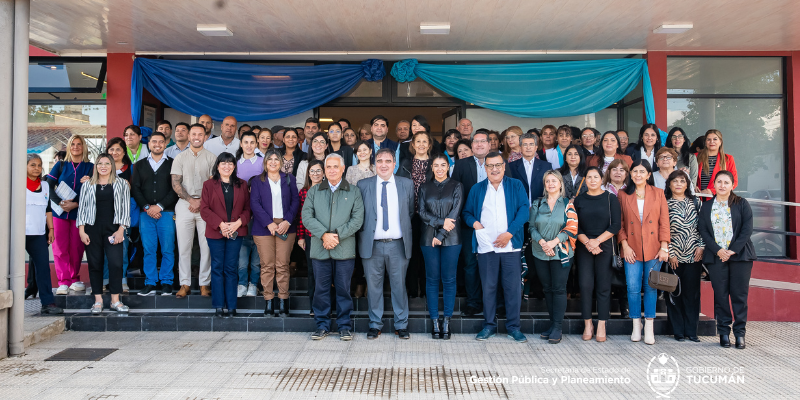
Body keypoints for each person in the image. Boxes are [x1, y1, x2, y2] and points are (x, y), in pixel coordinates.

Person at [462, 152, 530, 343]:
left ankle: (514, 327)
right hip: (487, 247)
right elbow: (467, 213)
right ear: (485, 168)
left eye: (498, 165)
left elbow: (524, 210)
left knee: (513, 289)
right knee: (489, 287)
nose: (494, 169)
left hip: (510, 246)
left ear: (504, 166)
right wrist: (475, 224)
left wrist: (510, 233)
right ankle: (489, 326)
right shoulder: (477, 189)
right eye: (490, 166)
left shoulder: (515, 185)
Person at [302, 154, 364, 341]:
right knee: (321, 288)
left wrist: (336, 235)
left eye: (335, 167)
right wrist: (324, 235)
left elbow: (357, 220)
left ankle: (344, 326)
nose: (332, 170)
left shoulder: (353, 191)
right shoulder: (314, 191)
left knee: (344, 288)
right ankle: (322, 325)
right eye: (328, 167)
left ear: (343, 168)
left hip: (344, 249)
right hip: (320, 248)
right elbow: (307, 217)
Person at [357, 149, 415, 340]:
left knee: (399, 286)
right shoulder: (363, 185)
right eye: (379, 161)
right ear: (375, 163)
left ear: (394, 163)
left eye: (388, 161)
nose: (383, 164)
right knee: (373, 287)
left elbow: (410, 213)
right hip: (371, 244)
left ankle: (401, 324)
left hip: (397, 244)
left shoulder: (406, 184)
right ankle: (375, 324)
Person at [698, 171, 755, 349]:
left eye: (726, 182)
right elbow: (703, 231)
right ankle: (723, 333)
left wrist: (731, 251)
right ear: (714, 184)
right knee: (721, 296)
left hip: (740, 256)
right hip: (716, 258)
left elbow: (747, 229)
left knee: (739, 296)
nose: (722, 185)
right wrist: (718, 251)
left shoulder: (741, 203)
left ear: (732, 185)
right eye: (719, 182)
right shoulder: (706, 207)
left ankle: (740, 334)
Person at [618, 160, 670, 345]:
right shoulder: (623, 194)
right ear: (630, 174)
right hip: (631, 248)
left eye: (642, 171)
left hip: (654, 248)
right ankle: (635, 324)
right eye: (634, 171)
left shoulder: (658, 193)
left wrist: (664, 247)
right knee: (632, 287)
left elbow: (664, 222)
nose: (638, 175)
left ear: (649, 174)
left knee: (651, 287)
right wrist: (624, 245)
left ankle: (649, 326)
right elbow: (620, 224)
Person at [76, 153, 131, 313]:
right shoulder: (87, 185)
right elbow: (83, 209)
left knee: (116, 264)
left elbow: (125, 208)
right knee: (95, 265)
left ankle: (115, 300)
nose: (103, 166)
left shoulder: (121, 184)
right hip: (92, 229)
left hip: (113, 229)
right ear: (96, 166)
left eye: (107, 163)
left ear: (112, 166)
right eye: (100, 163)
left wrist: (121, 229)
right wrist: (81, 230)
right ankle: (98, 301)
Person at [529, 171, 578, 344]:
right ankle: (552, 324)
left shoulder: (567, 203)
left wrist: (553, 243)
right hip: (540, 251)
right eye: (547, 181)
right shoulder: (537, 203)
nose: (551, 184)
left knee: (558, 289)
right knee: (548, 289)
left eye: (554, 181)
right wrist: (543, 243)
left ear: (560, 184)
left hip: (561, 252)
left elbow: (571, 227)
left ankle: (558, 327)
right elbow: (531, 227)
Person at [573, 167, 621, 342]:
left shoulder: (611, 199)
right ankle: (588, 323)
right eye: (589, 177)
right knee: (585, 286)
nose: (592, 180)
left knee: (603, 286)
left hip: (604, 246)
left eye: (596, 177)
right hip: (584, 246)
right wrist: (588, 242)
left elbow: (615, 225)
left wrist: (597, 241)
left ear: (602, 179)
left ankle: (601, 323)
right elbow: (574, 226)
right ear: (585, 180)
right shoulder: (579, 200)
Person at [418, 154, 463, 339]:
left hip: (452, 238)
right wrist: (439, 226)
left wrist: (442, 235)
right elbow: (421, 212)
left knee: (449, 279)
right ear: (432, 168)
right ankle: (435, 321)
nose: (439, 168)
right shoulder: (424, 187)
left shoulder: (457, 186)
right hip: (428, 238)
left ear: (448, 166)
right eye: (436, 165)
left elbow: (456, 212)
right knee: (432, 279)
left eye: (443, 165)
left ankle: (447, 321)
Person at [200, 152, 251, 317]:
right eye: (223, 163)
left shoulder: (242, 184)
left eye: (230, 163)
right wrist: (221, 225)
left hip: (236, 231)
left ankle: (231, 306)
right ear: (218, 166)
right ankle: (218, 305)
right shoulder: (209, 185)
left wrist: (237, 224)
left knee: (231, 268)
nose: (227, 166)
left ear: (234, 166)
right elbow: (204, 209)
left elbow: (248, 209)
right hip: (216, 232)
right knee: (217, 267)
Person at [250, 150, 300, 316]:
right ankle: (269, 301)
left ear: (281, 162)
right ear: (265, 162)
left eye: (276, 159)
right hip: (264, 228)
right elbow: (254, 204)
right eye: (269, 159)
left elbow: (295, 201)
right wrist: (269, 223)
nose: (273, 162)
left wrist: (287, 220)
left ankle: (283, 300)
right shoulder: (257, 181)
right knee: (267, 265)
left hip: (286, 226)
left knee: (282, 265)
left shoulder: (289, 179)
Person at [171, 123, 217, 298]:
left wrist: (201, 202)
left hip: (207, 205)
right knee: (184, 246)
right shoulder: (180, 158)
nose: (197, 137)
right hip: (184, 204)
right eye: (194, 134)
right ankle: (185, 284)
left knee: (206, 247)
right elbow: (176, 183)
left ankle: (204, 283)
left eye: (200, 134)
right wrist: (191, 200)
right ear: (189, 136)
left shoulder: (212, 158)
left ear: (205, 137)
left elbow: (214, 184)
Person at [131, 131, 178, 295]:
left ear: (166, 144)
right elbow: (135, 188)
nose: (157, 144)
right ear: (149, 144)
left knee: (167, 249)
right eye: (154, 142)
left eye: (161, 142)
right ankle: (150, 282)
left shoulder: (174, 163)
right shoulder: (140, 164)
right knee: (149, 249)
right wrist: (146, 207)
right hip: (146, 214)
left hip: (166, 213)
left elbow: (176, 188)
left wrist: (159, 206)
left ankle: (166, 282)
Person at [46, 134, 93, 295]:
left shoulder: (90, 167)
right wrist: (59, 202)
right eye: (73, 144)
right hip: (59, 214)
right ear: (68, 147)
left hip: (79, 214)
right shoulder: (60, 165)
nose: (76, 147)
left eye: (79, 144)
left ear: (84, 146)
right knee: (59, 248)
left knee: (77, 248)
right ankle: (63, 281)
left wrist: (76, 203)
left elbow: (93, 191)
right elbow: (48, 185)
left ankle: (74, 278)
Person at [450, 131, 491, 317]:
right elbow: (455, 194)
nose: (479, 145)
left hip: (494, 223)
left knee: (491, 262)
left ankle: (493, 302)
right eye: (476, 142)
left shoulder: (498, 163)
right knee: (470, 264)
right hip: (468, 223)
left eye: (483, 141)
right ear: (472, 145)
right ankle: (473, 302)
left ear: (490, 145)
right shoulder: (461, 164)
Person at [505, 131, 549, 300]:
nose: (528, 147)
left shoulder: (546, 166)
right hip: (518, 215)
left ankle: (538, 291)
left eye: (531, 144)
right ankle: (519, 289)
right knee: (519, 251)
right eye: (525, 144)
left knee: (538, 250)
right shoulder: (512, 166)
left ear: (536, 147)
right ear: (520, 147)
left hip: (541, 216)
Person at [664, 170, 704, 342]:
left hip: (694, 256)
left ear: (687, 184)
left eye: (682, 181)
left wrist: (701, 247)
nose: (678, 184)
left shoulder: (696, 202)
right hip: (673, 257)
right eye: (675, 181)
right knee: (674, 293)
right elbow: (664, 231)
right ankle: (678, 331)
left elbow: (704, 227)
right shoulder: (664, 204)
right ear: (669, 184)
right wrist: (671, 253)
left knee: (692, 294)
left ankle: (692, 331)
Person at [396, 131, 433, 298]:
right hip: (410, 214)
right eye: (418, 141)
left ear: (429, 145)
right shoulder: (405, 163)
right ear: (412, 145)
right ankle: (411, 290)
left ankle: (425, 290)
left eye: (425, 141)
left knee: (427, 253)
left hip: (430, 216)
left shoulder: (435, 163)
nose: (421, 144)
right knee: (410, 253)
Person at [25, 154, 63, 314]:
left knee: (43, 267)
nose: (37, 168)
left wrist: (51, 230)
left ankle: (47, 303)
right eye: (33, 165)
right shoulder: (16, 184)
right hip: (19, 233)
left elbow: (48, 209)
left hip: (38, 233)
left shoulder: (45, 185)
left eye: (39, 165)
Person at [235, 131, 264, 297]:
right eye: (246, 142)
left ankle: (254, 284)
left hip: (259, 215)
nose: (249, 145)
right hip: (240, 215)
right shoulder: (235, 163)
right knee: (242, 253)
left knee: (257, 252)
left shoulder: (262, 162)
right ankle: (241, 284)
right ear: (241, 144)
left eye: (252, 142)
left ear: (257, 144)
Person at [104, 137, 133, 292]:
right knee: (103, 250)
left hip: (123, 214)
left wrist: (130, 187)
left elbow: (138, 189)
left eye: (118, 149)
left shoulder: (130, 169)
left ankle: (122, 281)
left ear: (124, 152)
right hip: (103, 214)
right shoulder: (101, 167)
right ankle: (104, 280)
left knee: (122, 249)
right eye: (111, 149)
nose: (114, 152)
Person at [297, 160, 324, 315]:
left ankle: (326, 304)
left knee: (326, 271)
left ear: (324, 173)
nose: (315, 174)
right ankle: (314, 306)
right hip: (309, 237)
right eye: (312, 171)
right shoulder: (304, 192)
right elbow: (301, 217)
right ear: (308, 174)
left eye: (318, 170)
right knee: (312, 271)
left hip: (326, 236)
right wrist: (300, 237)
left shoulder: (329, 190)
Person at [696, 129, 738, 196]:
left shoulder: (728, 158)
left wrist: (713, 191)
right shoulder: (696, 157)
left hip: (717, 199)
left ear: (720, 142)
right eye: (708, 139)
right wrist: (692, 187)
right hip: (697, 198)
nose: (711, 142)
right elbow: (687, 177)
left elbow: (734, 182)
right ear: (705, 142)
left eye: (715, 139)